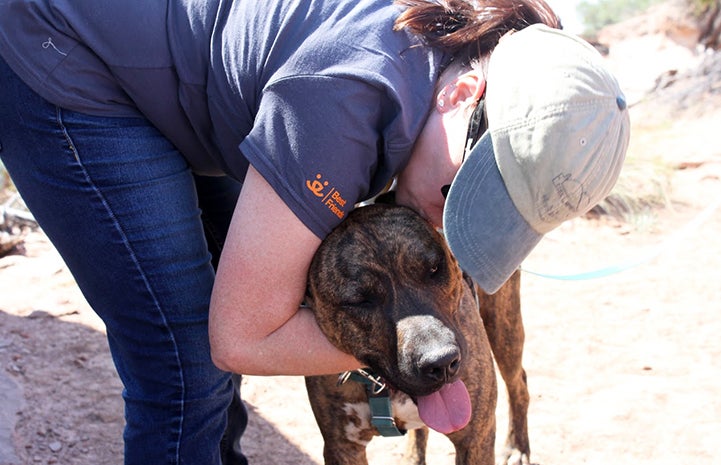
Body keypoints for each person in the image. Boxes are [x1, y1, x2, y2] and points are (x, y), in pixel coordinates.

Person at [0, 0, 630, 463]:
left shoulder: (463, 64)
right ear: (462, 93)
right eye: (457, 194)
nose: (447, 221)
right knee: (187, 362)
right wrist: (399, 352)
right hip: (67, 58)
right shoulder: (341, 103)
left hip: (187, 81)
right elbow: (240, 338)